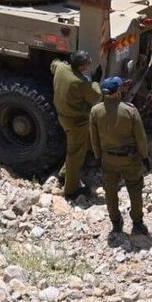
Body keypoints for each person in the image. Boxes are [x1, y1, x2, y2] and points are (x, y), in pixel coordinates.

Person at [89, 77, 150, 236]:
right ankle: (137, 223)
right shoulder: (130, 110)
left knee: (110, 191)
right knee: (135, 189)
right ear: (117, 92)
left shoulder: (96, 111)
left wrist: (97, 157)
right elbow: (140, 138)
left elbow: (94, 138)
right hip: (130, 159)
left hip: (108, 159)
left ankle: (115, 223)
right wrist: (145, 157)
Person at [52, 50, 101, 199]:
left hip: (62, 116)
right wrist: (95, 81)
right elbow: (96, 95)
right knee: (76, 154)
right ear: (81, 67)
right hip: (76, 122)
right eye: (87, 64)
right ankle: (71, 191)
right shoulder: (81, 82)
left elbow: (53, 63)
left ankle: (63, 175)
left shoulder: (60, 68)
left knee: (75, 148)